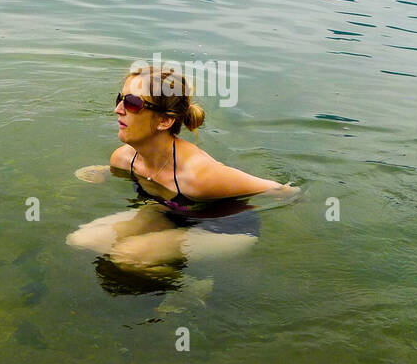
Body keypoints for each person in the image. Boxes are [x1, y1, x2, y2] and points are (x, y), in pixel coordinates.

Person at [67, 63, 296, 276]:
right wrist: (104, 171)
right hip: (170, 213)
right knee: (81, 240)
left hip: (226, 228)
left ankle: (188, 288)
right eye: (120, 98)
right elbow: (124, 170)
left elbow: (279, 190)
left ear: (164, 121)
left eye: (132, 103)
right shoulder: (123, 159)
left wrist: (294, 204)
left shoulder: (198, 176)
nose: (118, 109)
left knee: (127, 255)